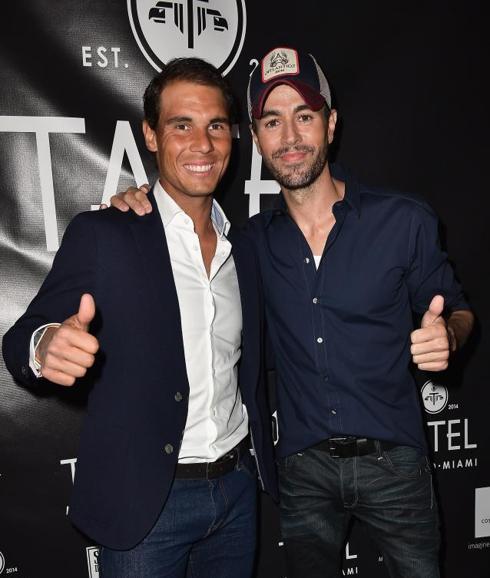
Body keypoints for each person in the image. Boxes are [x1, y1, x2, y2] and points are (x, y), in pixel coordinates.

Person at [111, 47, 474, 578]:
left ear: (331, 124)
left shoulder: (404, 221)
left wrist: (450, 335)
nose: (290, 136)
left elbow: (459, 310)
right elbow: (180, 228)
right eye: (272, 121)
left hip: (396, 460)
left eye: (304, 116)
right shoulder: (248, 244)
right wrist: (134, 204)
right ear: (257, 140)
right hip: (303, 471)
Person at [2, 57, 277, 578]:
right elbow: (20, 339)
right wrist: (45, 344)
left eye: (216, 126)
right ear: (150, 135)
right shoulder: (105, 235)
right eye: (182, 125)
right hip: (147, 503)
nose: (202, 144)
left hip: (237, 490)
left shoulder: (245, 248)